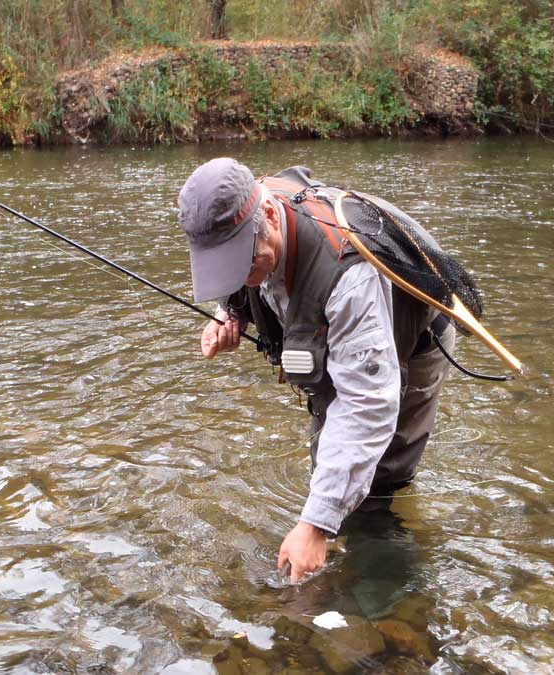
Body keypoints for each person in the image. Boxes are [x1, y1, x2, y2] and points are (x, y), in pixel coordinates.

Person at [176, 158, 457, 583]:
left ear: (270, 214)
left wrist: (316, 524)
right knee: (328, 460)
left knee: (379, 483)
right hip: (335, 330)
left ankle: (389, 594)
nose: (241, 277)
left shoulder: (349, 276)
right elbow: (249, 275)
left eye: (242, 264)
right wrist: (229, 313)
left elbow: (367, 407)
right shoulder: (251, 226)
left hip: (411, 339)